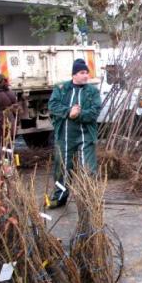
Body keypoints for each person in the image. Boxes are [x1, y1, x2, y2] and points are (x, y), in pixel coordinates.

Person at [47, 58, 101, 209]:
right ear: (74, 75)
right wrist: (68, 112)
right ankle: (60, 197)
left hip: (85, 136)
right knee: (62, 168)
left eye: (87, 73)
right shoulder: (62, 88)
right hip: (65, 136)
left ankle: (89, 198)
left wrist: (78, 114)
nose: (86, 76)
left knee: (88, 169)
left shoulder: (92, 92)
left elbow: (94, 112)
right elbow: (53, 105)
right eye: (82, 73)